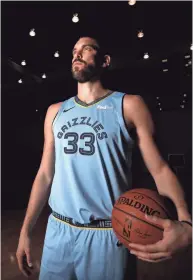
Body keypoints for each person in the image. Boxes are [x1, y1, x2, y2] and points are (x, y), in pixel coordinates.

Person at [16, 36, 192, 279]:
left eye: (86, 49)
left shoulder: (129, 105)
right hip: (58, 230)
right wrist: (26, 230)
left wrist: (186, 221)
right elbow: (45, 174)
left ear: (105, 60)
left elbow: (159, 169)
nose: (77, 54)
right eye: (74, 50)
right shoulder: (55, 111)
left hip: (107, 234)